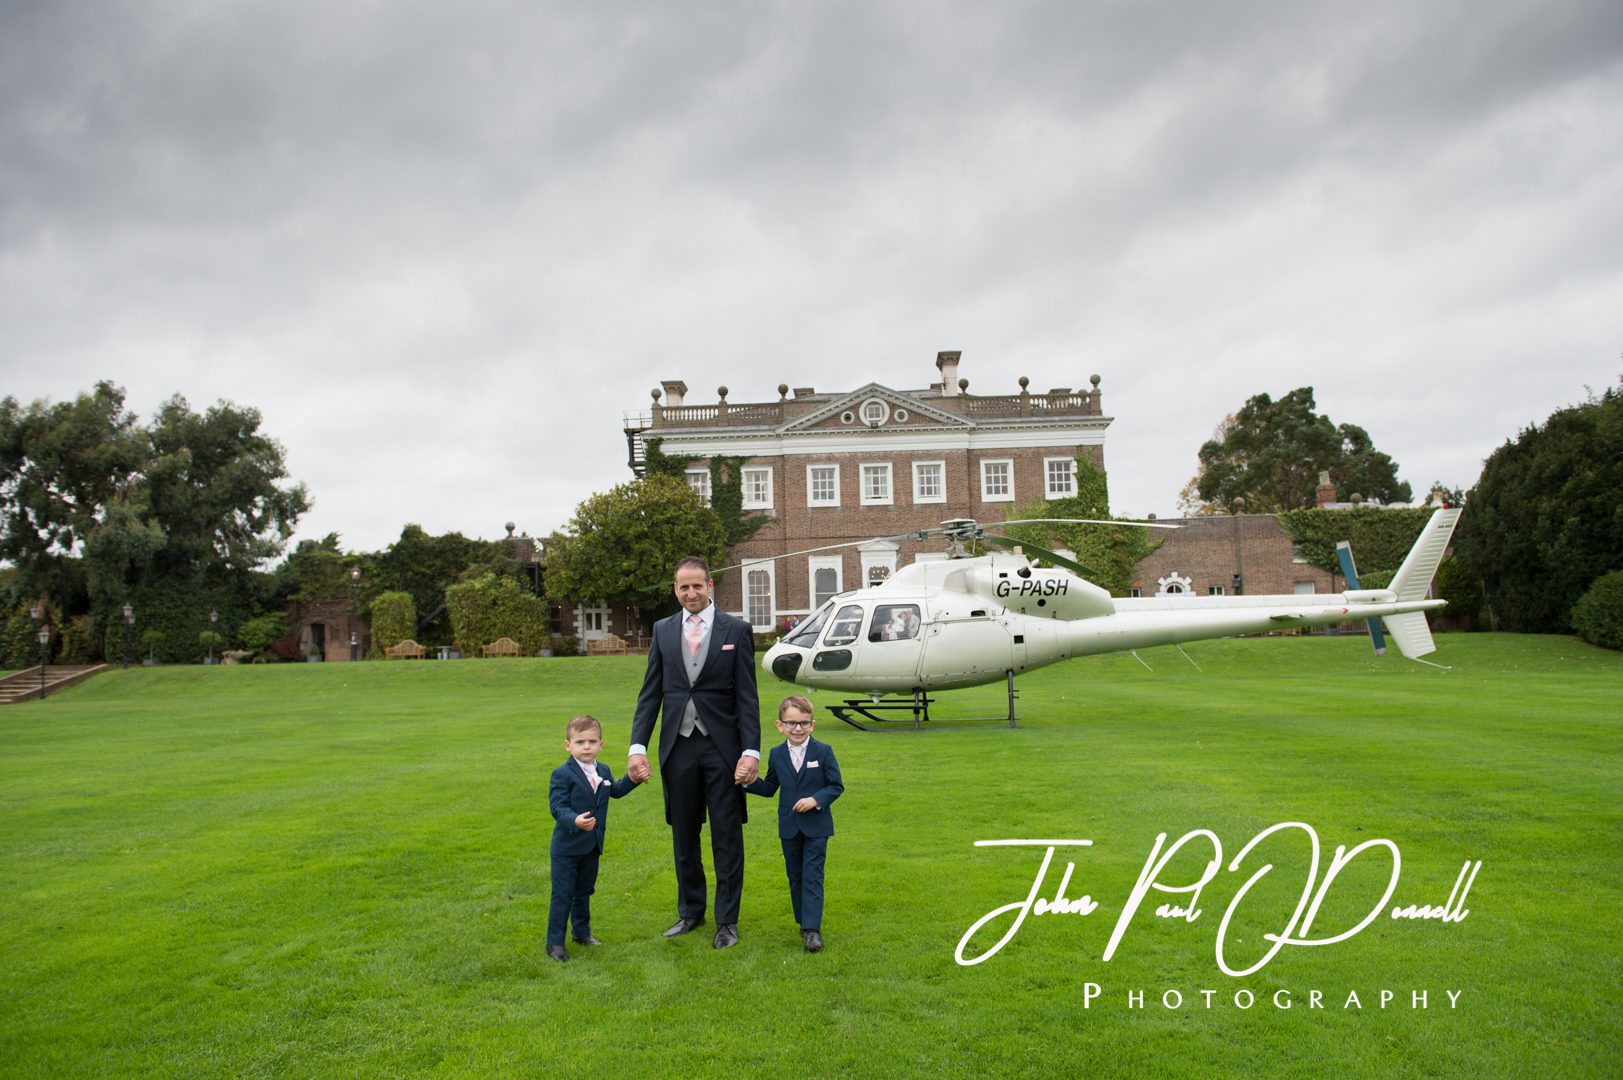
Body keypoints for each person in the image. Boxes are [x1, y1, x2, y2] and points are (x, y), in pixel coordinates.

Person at [629, 556, 761, 950]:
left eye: (697, 586)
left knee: (726, 835)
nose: (691, 593)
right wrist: (637, 746)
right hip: (678, 747)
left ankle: (727, 921)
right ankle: (690, 912)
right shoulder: (662, 630)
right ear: (676, 589)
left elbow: (747, 696)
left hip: (722, 748)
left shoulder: (736, 630)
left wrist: (751, 751)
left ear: (710, 586)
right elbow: (650, 694)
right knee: (684, 834)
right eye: (683, 587)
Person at [744, 695, 844, 952]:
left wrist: (815, 800)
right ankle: (803, 922)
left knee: (812, 875)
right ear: (780, 725)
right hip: (789, 826)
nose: (798, 728)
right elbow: (769, 787)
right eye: (792, 723)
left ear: (812, 724)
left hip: (817, 826)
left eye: (803, 723)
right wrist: (746, 782)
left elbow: (836, 786)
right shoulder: (777, 754)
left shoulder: (823, 751)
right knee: (795, 876)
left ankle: (812, 930)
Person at [546, 714, 642, 962]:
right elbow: (558, 807)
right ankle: (555, 943)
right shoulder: (562, 774)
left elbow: (615, 790)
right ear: (568, 745)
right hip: (567, 849)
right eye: (580, 742)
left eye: (592, 741)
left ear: (601, 744)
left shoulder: (603, 770)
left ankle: (582, 933)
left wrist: (633, 780)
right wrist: (574, 820)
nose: (586, 747)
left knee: (584, 891)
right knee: (563, 894)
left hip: (592, 846)